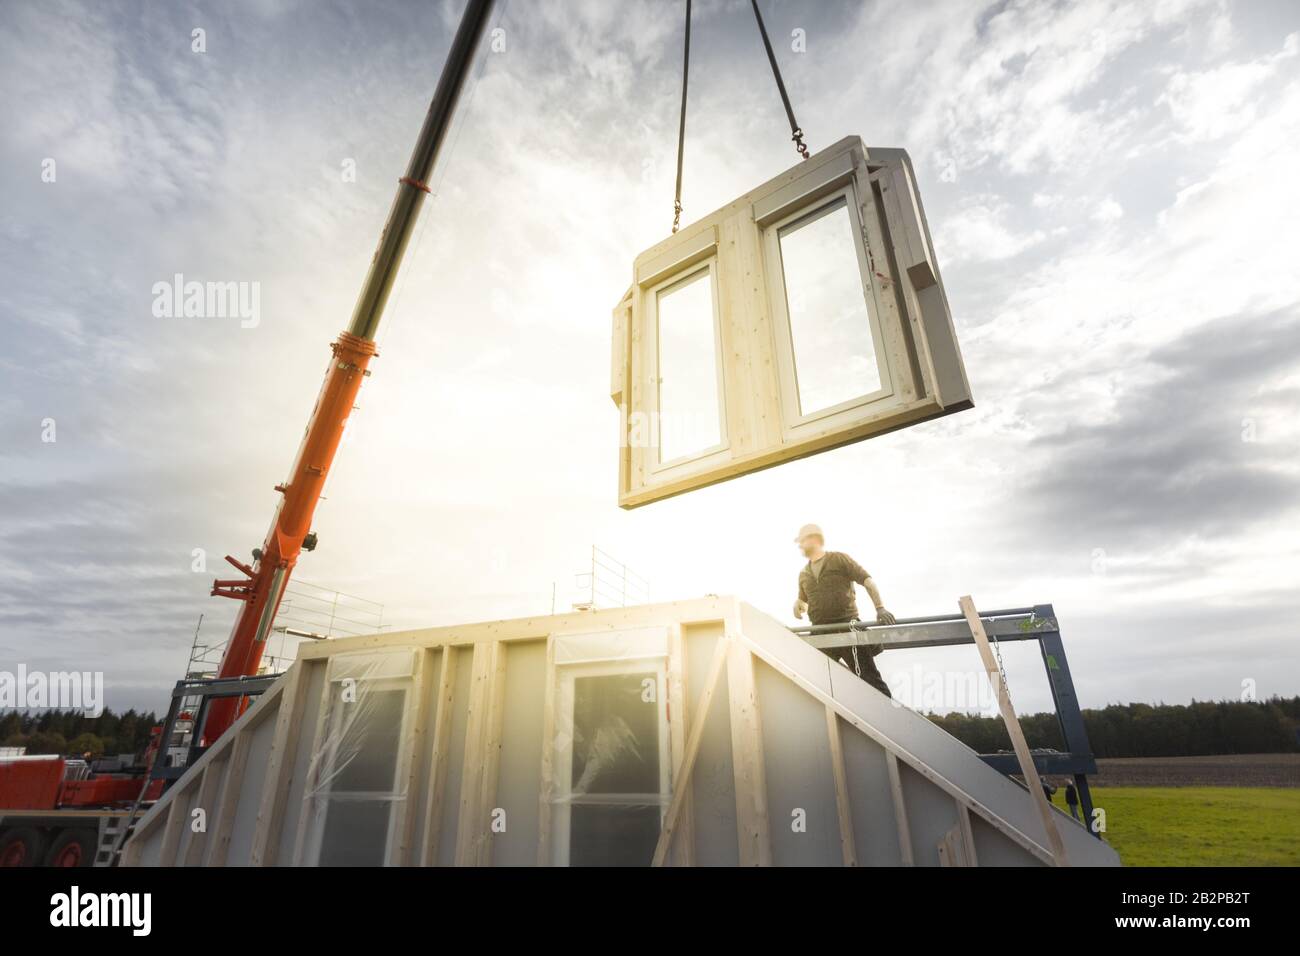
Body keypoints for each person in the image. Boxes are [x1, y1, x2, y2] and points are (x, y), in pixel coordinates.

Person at [791, 523, 896, 697]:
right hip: (819, 632)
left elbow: (867, 581)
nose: (800, 545)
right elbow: (803, 600)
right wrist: (798, 605)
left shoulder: (839, 559)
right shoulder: (803, 573)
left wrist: (880, 608)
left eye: (802, 541)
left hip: (848, 628)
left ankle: (892, 719)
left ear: (815, 539)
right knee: (814, 682)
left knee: (871, 683)